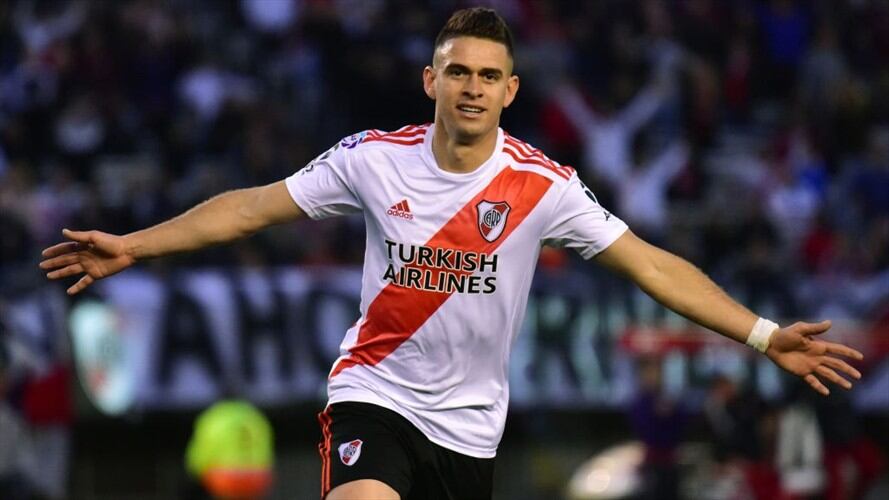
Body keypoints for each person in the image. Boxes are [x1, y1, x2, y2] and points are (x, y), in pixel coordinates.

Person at [39, 8, 864, 500]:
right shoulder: (370, 157)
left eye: (489, 75)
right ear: (430, 81)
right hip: (374, 394)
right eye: (457, 70)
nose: (471, 86)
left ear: (510, 91)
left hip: (471, 432)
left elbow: (650, 265)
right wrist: (135, 246)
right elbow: (252, 210)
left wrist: (761, 335)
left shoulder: (544, 185)